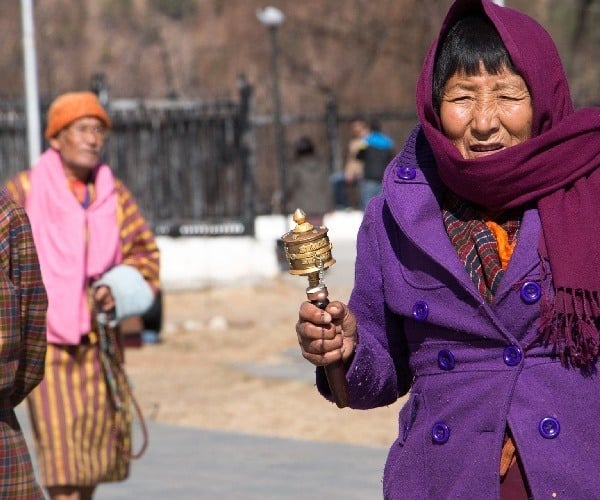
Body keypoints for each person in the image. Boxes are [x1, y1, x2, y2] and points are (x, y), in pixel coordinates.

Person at [295, 0, 600, 498]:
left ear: (543, 98)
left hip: (577, 470)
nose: (484, 122)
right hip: (448, 476)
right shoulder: (397, 210)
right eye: (462, 97)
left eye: (507, 95)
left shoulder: (588, 189)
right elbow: (381, 373)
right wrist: (347, 347)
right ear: (435, 104)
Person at [5, 91, 160, 500]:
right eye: (82, 130)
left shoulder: (115, 194)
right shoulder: (22, 191)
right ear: (56, 138)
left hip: (101, 345)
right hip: (47, 347)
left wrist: (116, 289)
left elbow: (145, 255)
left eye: (99, 131)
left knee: (93, 459)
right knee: (61, 464)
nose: (93, 140)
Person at [0, 190, 47, 498]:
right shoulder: (27, 186)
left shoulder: (5, 213)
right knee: (64, 472)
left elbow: (32, 318)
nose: (91, 141)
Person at [286, 135, 332, 227]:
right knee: (318, 232)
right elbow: (327, 186)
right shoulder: (322, 166)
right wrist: (330, 204)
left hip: (303, 205)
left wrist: (286, 197)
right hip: (320, 204)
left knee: (306, 234)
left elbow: (290, 185)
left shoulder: (297, 167)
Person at [330, 118, 370, 209]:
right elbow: (351, 160)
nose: (354, 129)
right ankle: (343, 205)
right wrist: (347, 172)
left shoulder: (367, 141)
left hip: (362, 174)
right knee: (335, 180)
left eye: (357, 126)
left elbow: (361, 160)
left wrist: (353, 173)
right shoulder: (353, 141)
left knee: (364, 187)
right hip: (350, 173)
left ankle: (362, 207)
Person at [355, 121, 394, 209]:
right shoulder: (388, 142)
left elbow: (358, 156)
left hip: (369, 177)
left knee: (367, 204)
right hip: (383, 178)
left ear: (371, 129)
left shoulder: (366, 141)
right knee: (381, 204)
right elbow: (392, 158)